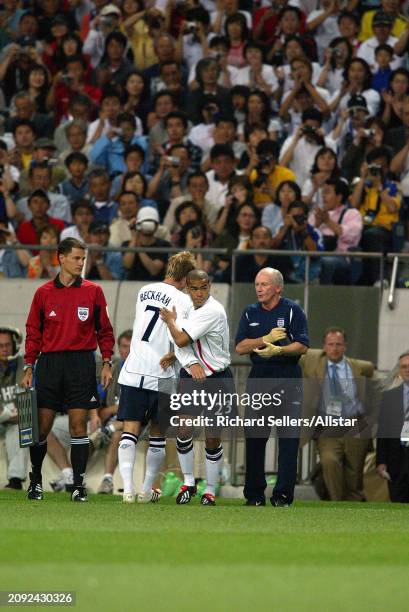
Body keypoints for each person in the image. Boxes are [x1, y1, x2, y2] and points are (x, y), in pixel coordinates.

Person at [22, 237, 115, 502]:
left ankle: (78, 485)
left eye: (83, 259)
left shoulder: (93, 291)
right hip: (49, 364)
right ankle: (36, 481)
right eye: (76, 258)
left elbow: (105, 330)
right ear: (60, 258)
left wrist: (106, 361)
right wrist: (29, 365)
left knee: (78, 427)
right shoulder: (43, 293)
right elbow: (33, 332)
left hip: (81, 364)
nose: (80, 263)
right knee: (41, 427)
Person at [116, 251, 196, 503]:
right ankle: (146, 488)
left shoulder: (144, 290)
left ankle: (127, 489)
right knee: (158, 434)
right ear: (185, 278)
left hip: (134, 368)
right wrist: (175, 354)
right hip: (162, 372)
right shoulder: (184, 302)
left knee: (129, 430)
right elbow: (182, 337)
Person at [235, 267, 309, 506]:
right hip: (259, 379)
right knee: (255, 439)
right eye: (257, 284)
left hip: (288, 378)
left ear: (278, 287)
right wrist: (265, 339)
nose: (259, 288)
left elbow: (302, 345)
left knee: (288, 440)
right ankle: (255, 496)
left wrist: (280, 350)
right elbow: (240, 347)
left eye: (264, 284)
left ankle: (283, 496)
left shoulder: (293, 310)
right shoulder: (249, 313)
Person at [159, 269, 233, 506]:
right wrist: (189, 362)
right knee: (183, 428)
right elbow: (178, 343)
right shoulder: (187, 307)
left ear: (209, 286)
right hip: (192, 376)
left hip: (217, 378)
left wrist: (170, 321)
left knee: (212, 437)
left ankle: (209, 490)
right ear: (187, 288)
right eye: (194, 289)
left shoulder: (213, 310)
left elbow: (180, 338)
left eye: (204, 288)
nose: (199, 293)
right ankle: (188, 483)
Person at [301, 327, 375, 502]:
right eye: (331, 344)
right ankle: (336, 502)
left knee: (354, 473)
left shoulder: (358, 367)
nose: (334, 348)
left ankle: (354, 505)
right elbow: (296, 350)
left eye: (338, 344)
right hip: (328, 427)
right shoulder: (313, 362)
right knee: (329, 461)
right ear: (324, 347)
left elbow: (372, 372)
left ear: (345, 347)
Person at [377, 351, 409, 502]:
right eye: (404, 367)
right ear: (400, 370)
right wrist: (381, 461)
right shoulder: (389, 397)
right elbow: (383, 431)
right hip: (396, 460)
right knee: (397, 502)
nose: (407, 370)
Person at [0, 326, 28, 489]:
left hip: (16, 421)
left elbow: (26, 409)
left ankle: (15, 480)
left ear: (14, 345)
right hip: (8, 416)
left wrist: (6, 414)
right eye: (0, 346)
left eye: (7, 345)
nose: (4, 349)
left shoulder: (24, 366)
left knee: (18, 429)